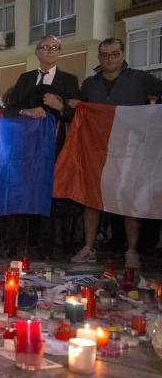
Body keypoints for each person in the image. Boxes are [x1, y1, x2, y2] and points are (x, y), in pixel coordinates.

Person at [70, 37, 162, 269]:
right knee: (91, 198)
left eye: (114, 54)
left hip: (131, 150)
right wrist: (74, 106)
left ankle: (132, 251)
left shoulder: (140, 79)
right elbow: (81, 112)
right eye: (104, 54)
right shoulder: (90, 84)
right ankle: (88, 247)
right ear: (99, 57)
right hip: (97, 150)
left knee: (130, 200)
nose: (109, 58)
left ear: (122, 55)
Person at [4, 34, 80, 260]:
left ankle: (46, 248)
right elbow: (9, 110)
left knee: (49, 194)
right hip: (24, 147)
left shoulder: (69, 80)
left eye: (55, 47)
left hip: (54, 147)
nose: (50, 50)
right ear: (37, 52)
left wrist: (60, 106)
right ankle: (14, 244)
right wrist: (25, 111)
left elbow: (77, 115)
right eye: (46, 47)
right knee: (20, 192)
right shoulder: (25, 78)